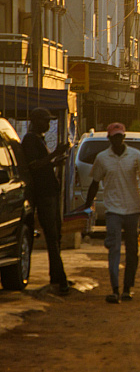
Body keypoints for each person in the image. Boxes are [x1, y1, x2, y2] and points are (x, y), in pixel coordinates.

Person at [82, 122, 140, 303]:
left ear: (123, 137)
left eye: (120, 136)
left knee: (132, 251)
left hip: (133, 210)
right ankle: (115, 289)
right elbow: (94, 183)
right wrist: (86, 206)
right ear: (110, 138)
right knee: (114, 249)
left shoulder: (135, 155)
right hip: (113, 210)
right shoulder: (102, 158)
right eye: (114, 136)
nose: (118, 139)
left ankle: (127, 288)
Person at [21, 107, 71, 295]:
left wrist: (55, 160)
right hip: (43, 194)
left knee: (55, 235)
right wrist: (53, 155)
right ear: (35, 121)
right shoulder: (30, 140)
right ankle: (61, 279)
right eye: (45, 121)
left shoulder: (38, 140)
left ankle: (57, 276)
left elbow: (42, 165)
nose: (48, 125)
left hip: (49, 192)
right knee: (51, 236)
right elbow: (33, 166)